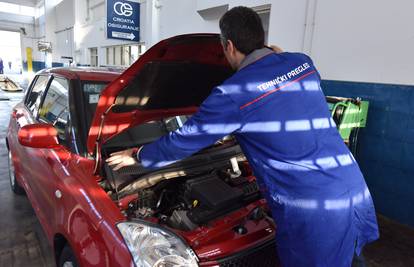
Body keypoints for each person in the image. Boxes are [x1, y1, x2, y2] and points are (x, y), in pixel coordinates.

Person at [107, 6, 379, 267]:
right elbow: (283, 94)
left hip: (314, 209)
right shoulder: (302, 63)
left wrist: (138, 155)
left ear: (229, 46)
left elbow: (185, 139)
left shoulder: (234, 93)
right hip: (351, 186)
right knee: (353, 259)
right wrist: (275, 55)